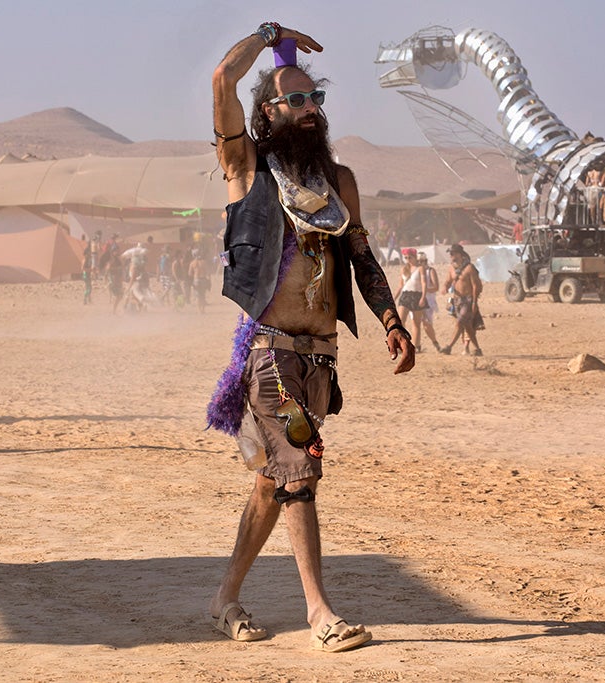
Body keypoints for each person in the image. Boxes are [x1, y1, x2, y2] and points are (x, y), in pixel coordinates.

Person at [207, 21, 413, 653]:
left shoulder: (339, 182)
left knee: (272, 482)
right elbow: (222, 78)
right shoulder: (245, 167)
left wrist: (392, 319)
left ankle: (224, 599)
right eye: (294, 99)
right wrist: (267, 36)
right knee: (300, 471)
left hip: (318, 358)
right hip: (269, 351)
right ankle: (320, 612)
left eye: (315, 99)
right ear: (267, 112)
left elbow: (363, 257)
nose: (309, 109)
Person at [392, 248, 439, 352]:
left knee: (416, 323)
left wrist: (423, 297)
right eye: (406, 257)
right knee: (400, 321)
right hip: (405, 295)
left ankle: (416, 346)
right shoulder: (404, 269)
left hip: (416, 295)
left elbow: (424, 283)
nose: (408, 259)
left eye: (410, 257)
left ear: (414, 257)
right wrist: (393, 298)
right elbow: (400, 286)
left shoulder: (420, 268)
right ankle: (401, 344)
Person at [440, 244, 483, 356]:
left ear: (459, 254)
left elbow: (476, 286)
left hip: (468, 300)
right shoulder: (451, 268)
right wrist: (445, 287)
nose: (451, 256)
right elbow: (448, 281)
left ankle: (449, 347)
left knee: (460, 322)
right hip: (457, 300)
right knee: (467, 326)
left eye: (453, 253)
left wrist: (474, 302)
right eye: (450, 254)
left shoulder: (469, 268)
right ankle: (478, 349)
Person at [414, 252, 444, 352]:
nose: (419, 263)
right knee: (416, 323)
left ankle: (435, 343)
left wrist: (424, 289)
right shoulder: (414, 271)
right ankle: (417, 346)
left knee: (426, 323)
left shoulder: (430, 271)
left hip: (428, 301)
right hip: (415, 300)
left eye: (420, 261)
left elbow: (436, 287)